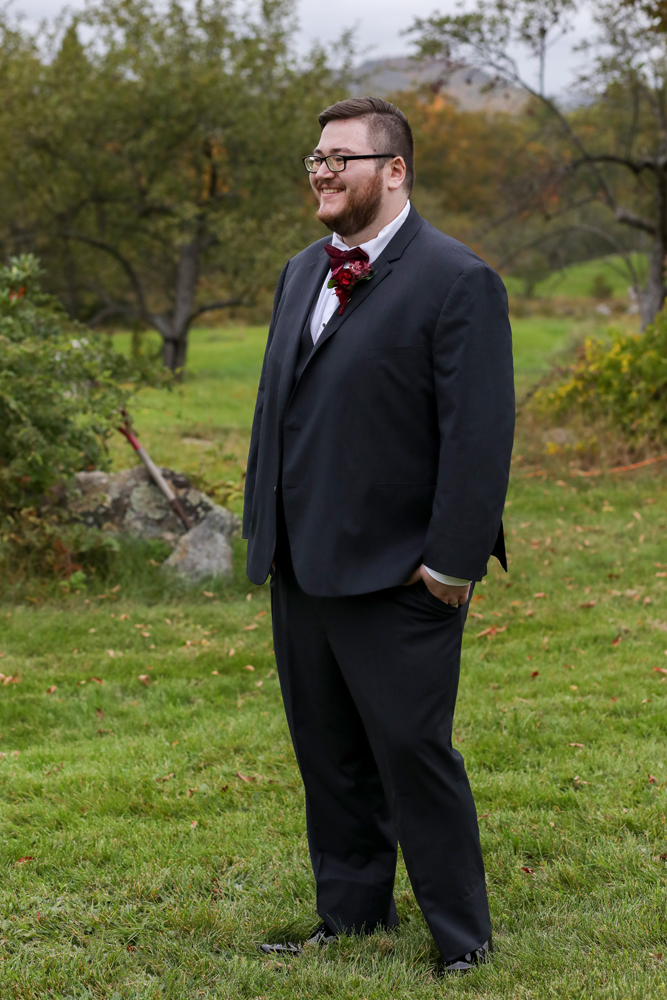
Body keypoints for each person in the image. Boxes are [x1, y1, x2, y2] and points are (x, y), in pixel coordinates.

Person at [243, 96, 514, 975]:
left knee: (411, 753)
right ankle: (351, 916)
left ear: (393, 171)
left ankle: (462, 938)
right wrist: (264, 535)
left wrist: (449, 565)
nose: (322, 172)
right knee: (328, 755)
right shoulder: (300, 272)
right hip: (301, 561)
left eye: (341, 159)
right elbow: (278, 410)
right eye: (315, 158)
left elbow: (477, 435)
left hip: (401, 570)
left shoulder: (457, 279)